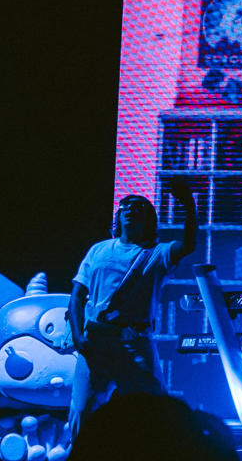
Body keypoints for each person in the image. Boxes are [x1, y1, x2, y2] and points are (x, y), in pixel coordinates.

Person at [61, 176, 199, 441]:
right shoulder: (99, 250)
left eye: (138, 207)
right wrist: (78, 336)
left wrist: (188, 205)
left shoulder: (159, 253)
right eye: (126, 206)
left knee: (153, 411)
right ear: (118, 216)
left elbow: (189, 244)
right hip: (95, 340)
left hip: (134, 341)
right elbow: (77, 294)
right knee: (82, 412)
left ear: (149, 220)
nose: (130, 209)